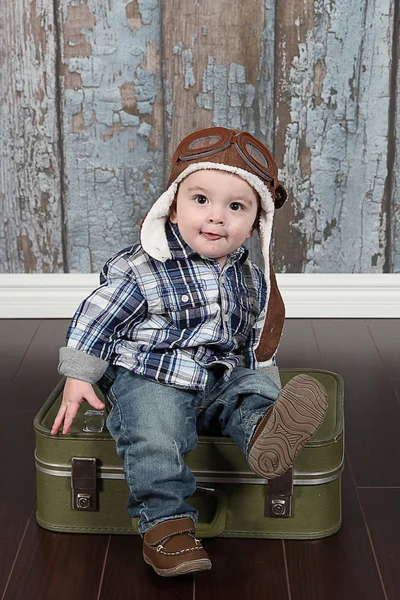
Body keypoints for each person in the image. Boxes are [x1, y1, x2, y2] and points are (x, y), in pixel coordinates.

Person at [51, 127, 328, 577]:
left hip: (215, 381)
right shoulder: (145, 266)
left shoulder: (252, 279)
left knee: (247, 389)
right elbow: (97, 315)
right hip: (152, 377)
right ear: (173, 205)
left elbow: (256, 343)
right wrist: (80, 374)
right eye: (202, 200)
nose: (217, 217)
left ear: (257, 221)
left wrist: (262, 382)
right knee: (156, 432)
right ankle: (167, 526)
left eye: (236, 207)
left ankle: (263, 433)